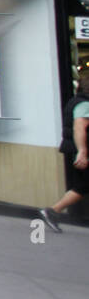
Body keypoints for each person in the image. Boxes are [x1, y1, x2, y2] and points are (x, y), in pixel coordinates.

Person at [40, 71, 89, 232]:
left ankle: (53, 211)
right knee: (82, 186)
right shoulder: (84, 104)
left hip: (74, 149)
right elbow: (79, 127)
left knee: (81, 186)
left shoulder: (75, 101)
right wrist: (82, 151)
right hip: (80, 151)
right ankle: (52, 211)